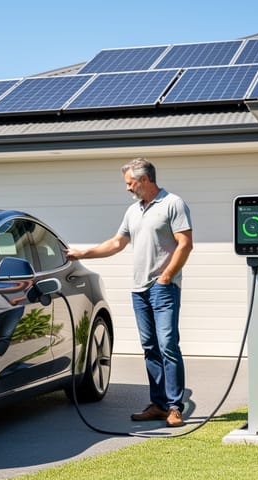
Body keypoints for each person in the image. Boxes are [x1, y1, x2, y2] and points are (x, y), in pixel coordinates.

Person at [65, 157, 193, 427]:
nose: (127, 188)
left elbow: (185, 244)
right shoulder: (134, 211)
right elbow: (116, 243)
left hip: (163, 289)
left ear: (144, 180)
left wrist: (166, 277)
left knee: (168, 346)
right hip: (139, 291)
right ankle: (158, 404)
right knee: (149, 348)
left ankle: (174, 407)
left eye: (130, 183)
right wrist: (82, 253)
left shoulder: (173, 204)